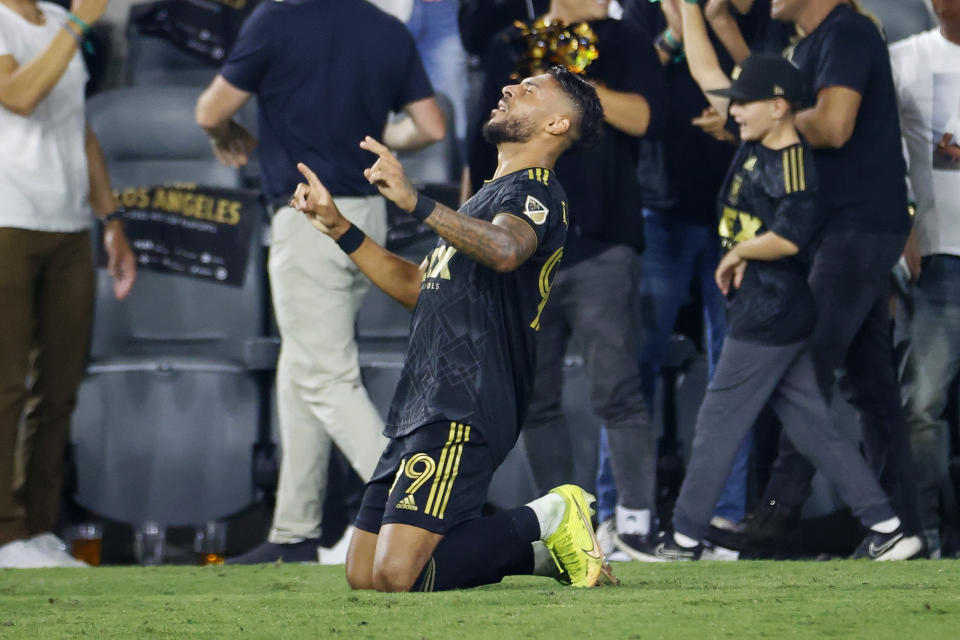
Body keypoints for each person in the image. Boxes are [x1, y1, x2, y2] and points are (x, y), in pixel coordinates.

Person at [293, 66, 610, 591]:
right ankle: (539, 557)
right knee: (365, 575)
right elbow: (418, 285)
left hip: (467, 394)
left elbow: (507, 251)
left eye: (529, 90)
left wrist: (413, 201)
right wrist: (340, 230)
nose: (508, 88)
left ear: (557, 124)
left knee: (399, 576)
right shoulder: (481, 200)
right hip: (423, 397)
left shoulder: (537, 193)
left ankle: (551, 513)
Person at [642, 12, 921, 560]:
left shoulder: (792, 159)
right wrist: (695, 13)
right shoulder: (765, 144)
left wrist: (742, 251)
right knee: (816, 422)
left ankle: (685, 534)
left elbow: (791, 235)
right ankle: (889, 525)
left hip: (773, 305)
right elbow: (711, 75)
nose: (733, 110)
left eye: (747, 103)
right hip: (772, 297)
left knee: (720, 415)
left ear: (777, 107)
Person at [195, 0, 446, 564]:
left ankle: (424, 512)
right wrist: (377, 139)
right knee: (301, 368)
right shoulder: (387, 29)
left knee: (326, 377)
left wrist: (226, 132)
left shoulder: (273, 20)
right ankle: (294, 533)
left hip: (311, 216)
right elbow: (431, 126)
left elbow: (210, 110)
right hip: (368, 217)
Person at [0, 0, 136, 568]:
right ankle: (4, 535)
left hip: (68, 227)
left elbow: (77, 128)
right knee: (5, 388)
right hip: (7, 219)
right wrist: (81, 24)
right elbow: (20, 96)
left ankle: (36, 529)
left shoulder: (57, 20)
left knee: (58, 390)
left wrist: (112, 221)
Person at [892, 0, 960, 558]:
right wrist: (903, 226)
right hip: (940, 262)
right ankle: (932, 536)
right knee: (921, 408)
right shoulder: (902, 61)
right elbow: (877, 157)